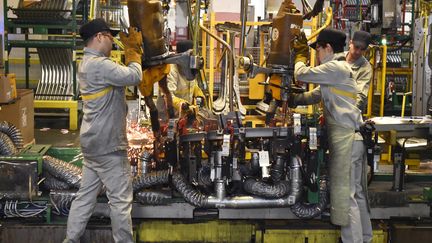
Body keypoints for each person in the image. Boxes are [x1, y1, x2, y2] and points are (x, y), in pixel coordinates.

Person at [63, 18, 143, 243]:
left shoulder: (86, 63)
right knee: (120, 201)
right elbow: (135, 77)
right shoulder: (100, 65)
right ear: (99, 37)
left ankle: (70, 240)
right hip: (109, 146)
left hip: (92, 144)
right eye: (111, 37)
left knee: (85, 197)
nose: (113, 42)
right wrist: (134, 53)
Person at [291, 28, 371, 243]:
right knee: (356, 195)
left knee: (346, 199)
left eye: (317, 50)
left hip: (346, 140)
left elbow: (301, 73)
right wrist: (295, 100)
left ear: (327, 48)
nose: (316, 55)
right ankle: (365, 238)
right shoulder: (340, 69)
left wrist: (299, 56)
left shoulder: (334, 67)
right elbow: (317, 94)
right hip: (353, 139)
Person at [156, 40, 205, 120]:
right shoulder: (170, 70)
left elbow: (193, 85)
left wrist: (199, 95)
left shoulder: (190, 68)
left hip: (183, 116)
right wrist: (182, 104)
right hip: (167, 118)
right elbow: (168, 96)